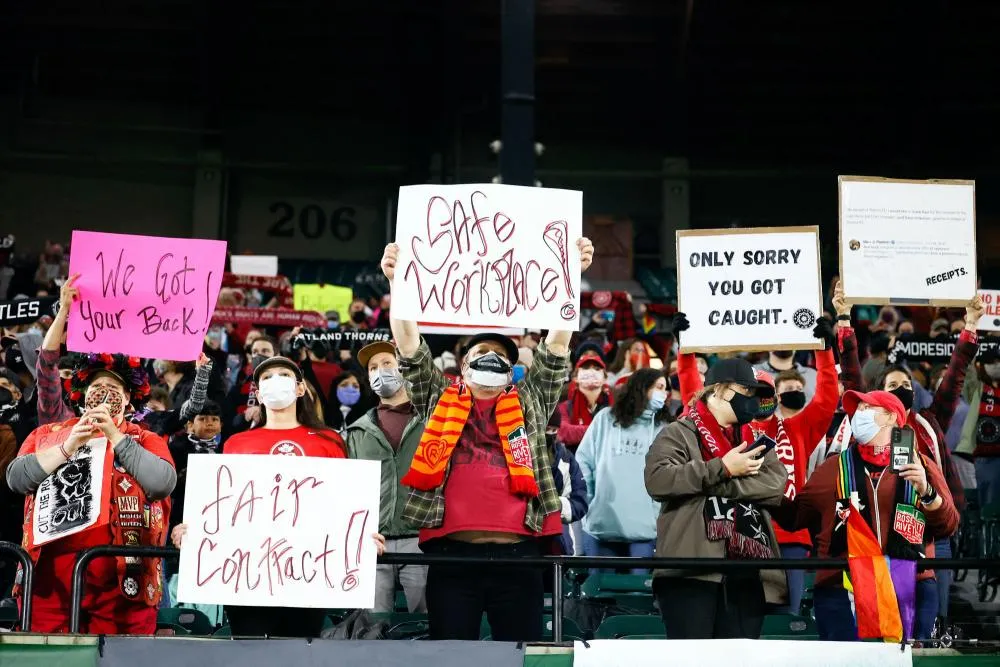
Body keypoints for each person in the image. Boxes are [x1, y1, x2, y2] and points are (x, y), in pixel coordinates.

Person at [381, 237, 593, 642]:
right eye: (480, 351)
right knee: (451, 656)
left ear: (513, 370)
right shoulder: (437, 398)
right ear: (463, 365)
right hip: (453, 558)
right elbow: (409, 347)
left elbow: (556, 347)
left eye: (500, 355)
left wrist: (571, 279)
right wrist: (398, 284)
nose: (489, 358)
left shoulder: (530, 401)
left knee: (519, 655)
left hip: (519, 558)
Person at [171, 356, 385, 638]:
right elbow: (221, 507)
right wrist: (191, 530)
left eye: (284, 374)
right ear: (257, 393)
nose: (276, 382)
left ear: (299, 389)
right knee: (251, 657)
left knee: (297, 655)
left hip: (308, 576)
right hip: (247, 579)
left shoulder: (330, 441)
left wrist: (361, 538)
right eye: (267, 378)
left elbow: (341, 507)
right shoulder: (236, 443)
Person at [6, 353, 175, 634]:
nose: (103, 394)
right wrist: (67, 446)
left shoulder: (145, 439)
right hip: (49, 579)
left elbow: (161, 483)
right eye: (96, 387)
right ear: (83, 397)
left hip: (122, 578)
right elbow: (17, 479)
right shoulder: (48, 433)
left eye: (113, 389)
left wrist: (115, 436)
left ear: (128, 401)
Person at [775, 390, 958, 642]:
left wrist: (927, 492)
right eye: (856, 409)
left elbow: (948, 526)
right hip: (841, 586)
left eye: (866, 408)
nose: (857, 414)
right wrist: (767, 485)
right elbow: (794, 518)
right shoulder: (832, 468)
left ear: (892, 417)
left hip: (911, 585)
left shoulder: (922, 465)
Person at [644, 357, 787, 639]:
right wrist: (721, 468)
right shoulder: (678, 433)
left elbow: (776, 484)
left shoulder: (754, 438)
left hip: (748, 572)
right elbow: (658, 480)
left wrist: (721, 481)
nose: (753, 401)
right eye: (747, 392)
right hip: (691, 571)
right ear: (719, 391)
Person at [870, 296, 980, 636]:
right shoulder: (869, 429)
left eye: (906, 385)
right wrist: (843, 321)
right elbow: (850, 374)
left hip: (934, 531)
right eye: (893, 386)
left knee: (935, 619)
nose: (901, 390)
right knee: (891, 622)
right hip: (887, 533)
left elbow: (955, 376)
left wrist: (971, 326)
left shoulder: (930, 421)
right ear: (878, 394)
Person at [346, 340, 427, 613]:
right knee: (372, 629)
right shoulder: (357, 432)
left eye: (387, 363)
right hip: (372, 542)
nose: (380, 371)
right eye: (373, 367)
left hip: (421, 540)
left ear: (403, 367)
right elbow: (349, 489)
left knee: (425, 626)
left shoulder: (432, 422)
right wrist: (359, 534)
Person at [576, 368, 671, 573]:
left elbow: (668, 476)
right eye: (659, 387)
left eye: (665, 389)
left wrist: (656, 512)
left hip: (645, 530)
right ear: (641, 387)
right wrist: (590, 501)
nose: (663, 393)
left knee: (638, 596)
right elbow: (584, 461)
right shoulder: (605, 419)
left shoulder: (664, 428)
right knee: (600, 596)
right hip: (601, 525)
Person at [556, 351, 612, 452]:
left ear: (605, 378)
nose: (591, 372)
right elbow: (564, 432)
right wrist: (603, 430)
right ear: (575, 378)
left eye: (597, 369)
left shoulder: (614, 406)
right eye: (586, 368)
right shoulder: (565, 407)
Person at [328, 369, 375, 434]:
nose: (350, 390)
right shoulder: (328, 413)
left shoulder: (369, 416)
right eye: (344, 385)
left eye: (355, 386)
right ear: (335, 389)